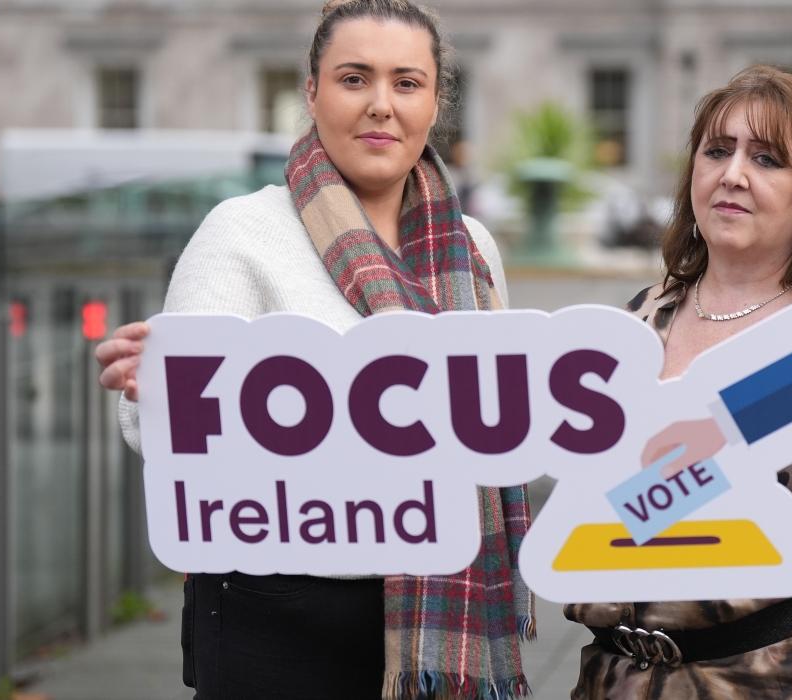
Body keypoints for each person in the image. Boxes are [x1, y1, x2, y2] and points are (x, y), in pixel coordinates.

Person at [94, 1, 533, 698]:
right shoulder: (242, 232)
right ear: (312, 92)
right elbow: (164, 436)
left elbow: (499, 424)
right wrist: (152, 388)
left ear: (435, 104)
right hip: (271, 612)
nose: (381, 104)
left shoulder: (473, 248)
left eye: (407, 83)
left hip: (439, 614)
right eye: (354, 79)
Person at [563, 65, 792, 698]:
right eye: (717, 151)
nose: (732, 174)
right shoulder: (637, 320)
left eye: (767, 159)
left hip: (783, 675)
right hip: (618, 675)